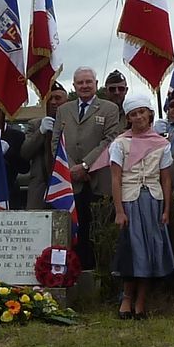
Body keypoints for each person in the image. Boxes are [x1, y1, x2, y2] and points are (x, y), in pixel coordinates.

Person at [111, 95, 174, 319]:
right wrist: (119, 210)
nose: (138, 117)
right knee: (133, 249)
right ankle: (127, 296)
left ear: (149, 114)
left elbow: (166, 178)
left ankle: (141, 300)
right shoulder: (120, 143)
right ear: (128, 118)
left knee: (150, 250)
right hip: (130, 201)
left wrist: (167, 209)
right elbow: (116, 178)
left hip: (153, 201)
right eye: (133, 114)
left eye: (142, 112)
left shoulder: (162, 143)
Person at [51, 67, 120, 269]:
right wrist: (71, 168)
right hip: (70, 181)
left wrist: (85, 166)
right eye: (80, 83)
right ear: (74, 86)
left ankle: (98, 274)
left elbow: (110, 140)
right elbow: (56, 141)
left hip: (98, 179)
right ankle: (73, 272)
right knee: (72, 231)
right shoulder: (64, 110)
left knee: (97, 230)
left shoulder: (109, 109)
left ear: (96, 84)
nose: (84, 86)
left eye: (88, 82)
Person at [21, 82, 68, 209]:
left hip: (65, 185)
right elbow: (25, 153)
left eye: (58, 98)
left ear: (66, 101)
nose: (53, 102)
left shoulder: (73, 123)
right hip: (40, 187)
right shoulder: (35, 124)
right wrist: (40, 132)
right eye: (49, 99)